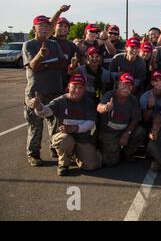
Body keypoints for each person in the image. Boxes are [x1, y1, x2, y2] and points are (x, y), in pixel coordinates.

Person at [29, 74, 102, 176]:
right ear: (69, 86)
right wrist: (38, 107)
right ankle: (63, 164)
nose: (77, 90)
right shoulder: (60, 100)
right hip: (63, 137)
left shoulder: (88, 102)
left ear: (84, 89)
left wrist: (75, 128)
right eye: (74, 86)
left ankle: (75, 154)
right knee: (67, 139)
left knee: (92, 166)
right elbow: (46, 112)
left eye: (80, 87)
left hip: (82, 138)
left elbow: (90, 123)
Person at [23, 15, 67, 166]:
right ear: (34, 27)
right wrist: (40, 57)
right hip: (36, 93)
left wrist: (45, 65)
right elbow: (34, 66)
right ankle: (33, 154)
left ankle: (55, 148)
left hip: (54, 91)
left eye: (47, 26)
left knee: (54, 124)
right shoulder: (29, 45)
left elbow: (62, 63)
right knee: (36, 126)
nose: (44, 28)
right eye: (41, 25)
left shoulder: (54, 44)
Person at [96, 73, 146, 166]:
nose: (126, 87)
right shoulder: (110, 94)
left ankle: (126, 153)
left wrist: (127, 134)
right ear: (118, 84)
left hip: (123, 130)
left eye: (129, 85)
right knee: (110, 162)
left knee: (140, 132)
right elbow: (99, 107)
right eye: (124, 84)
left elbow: (135, 120)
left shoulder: (133, 99)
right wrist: (106, 108)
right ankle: (108, 150)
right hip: (109, 132)